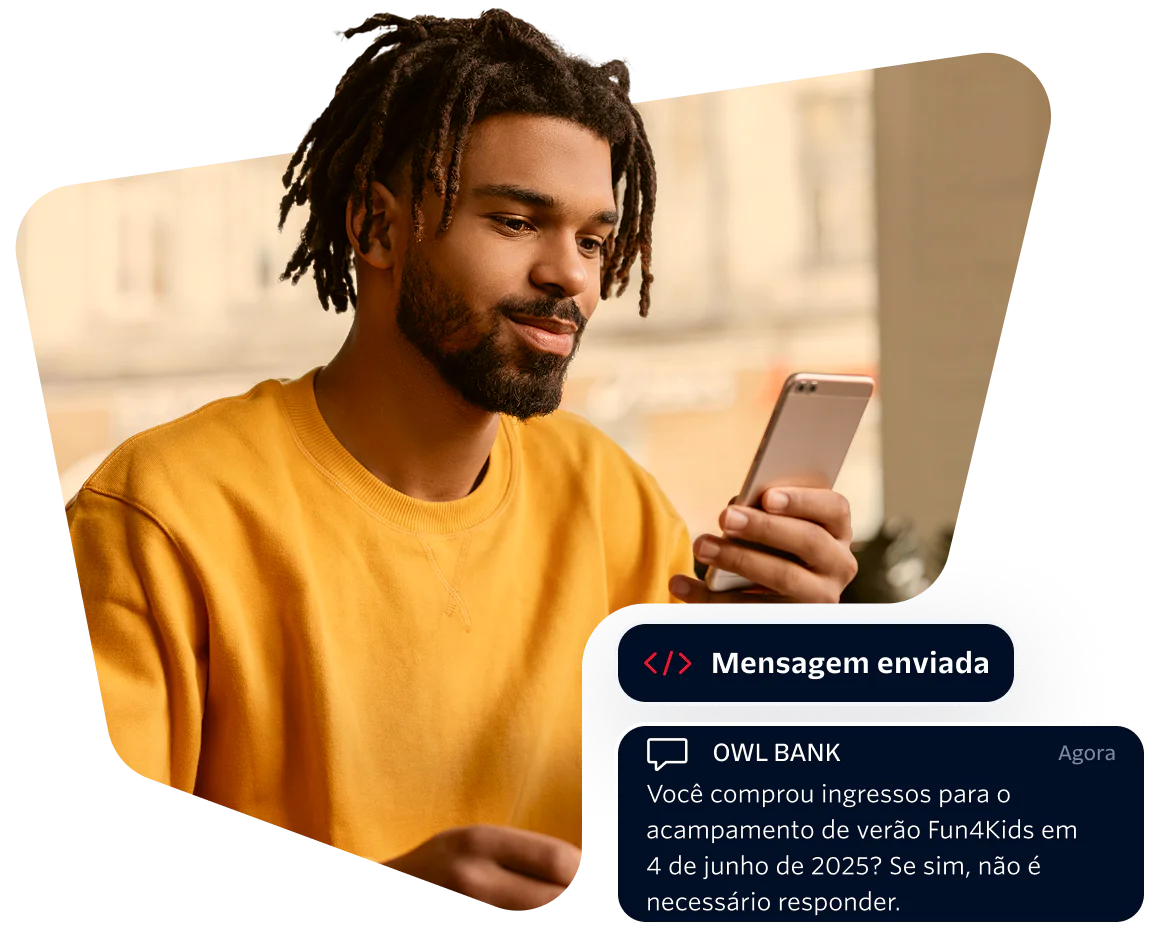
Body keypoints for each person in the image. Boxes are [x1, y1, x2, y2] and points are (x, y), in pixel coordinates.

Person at [65, 10, 858, 911]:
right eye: (518, 221)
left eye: (595, 241)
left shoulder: (614, 500)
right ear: (377, 228)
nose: (573, 277)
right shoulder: (161, 513)